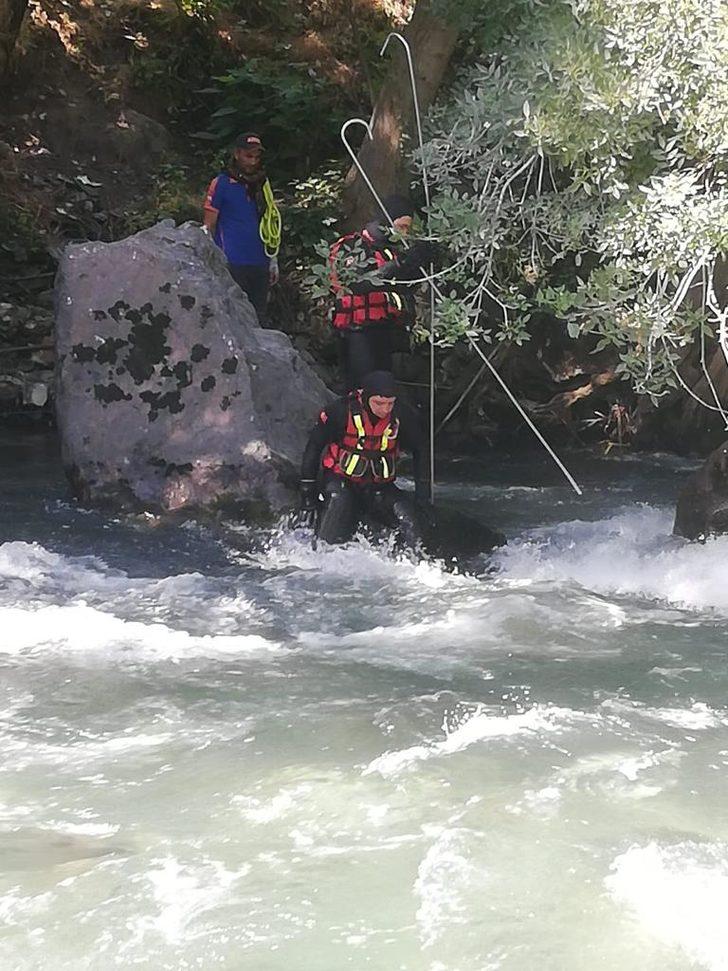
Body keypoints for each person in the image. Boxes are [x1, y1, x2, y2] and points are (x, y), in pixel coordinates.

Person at [299, 370, 430, 546]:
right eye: (379, 403)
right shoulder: (339, 411)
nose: (385, 409)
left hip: (380, 487)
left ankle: (415, 563)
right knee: (337, 505)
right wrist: (308, 495)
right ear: (365, 397)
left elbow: (420, 450)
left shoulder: (401, 415)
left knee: (408, 521)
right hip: (340, 480)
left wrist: (423, 497)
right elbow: (314, 447)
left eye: (390, 404)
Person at [329, 195, 434, 391]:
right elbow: (357, 284)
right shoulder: (351, 246)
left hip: (385, 331)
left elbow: (404, 286)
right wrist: (399, 264)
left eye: (407, 228)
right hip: (356, 334)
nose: (404, 232)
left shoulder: (390, 251)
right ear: (386, 221)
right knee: (362, 391)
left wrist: (418, 262)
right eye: (401, 226)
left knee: (384, 393)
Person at [203, 132, 280, 323]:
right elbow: (208, 226)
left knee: (257, 318)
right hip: (231, 262)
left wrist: (273, 259)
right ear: (237, 154)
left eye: (256, 157)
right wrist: (211, 262)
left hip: (260, 262)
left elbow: (271, 221)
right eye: (248, 156)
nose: (253, 162)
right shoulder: (221, 183)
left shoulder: (262, 184)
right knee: (233, 318)